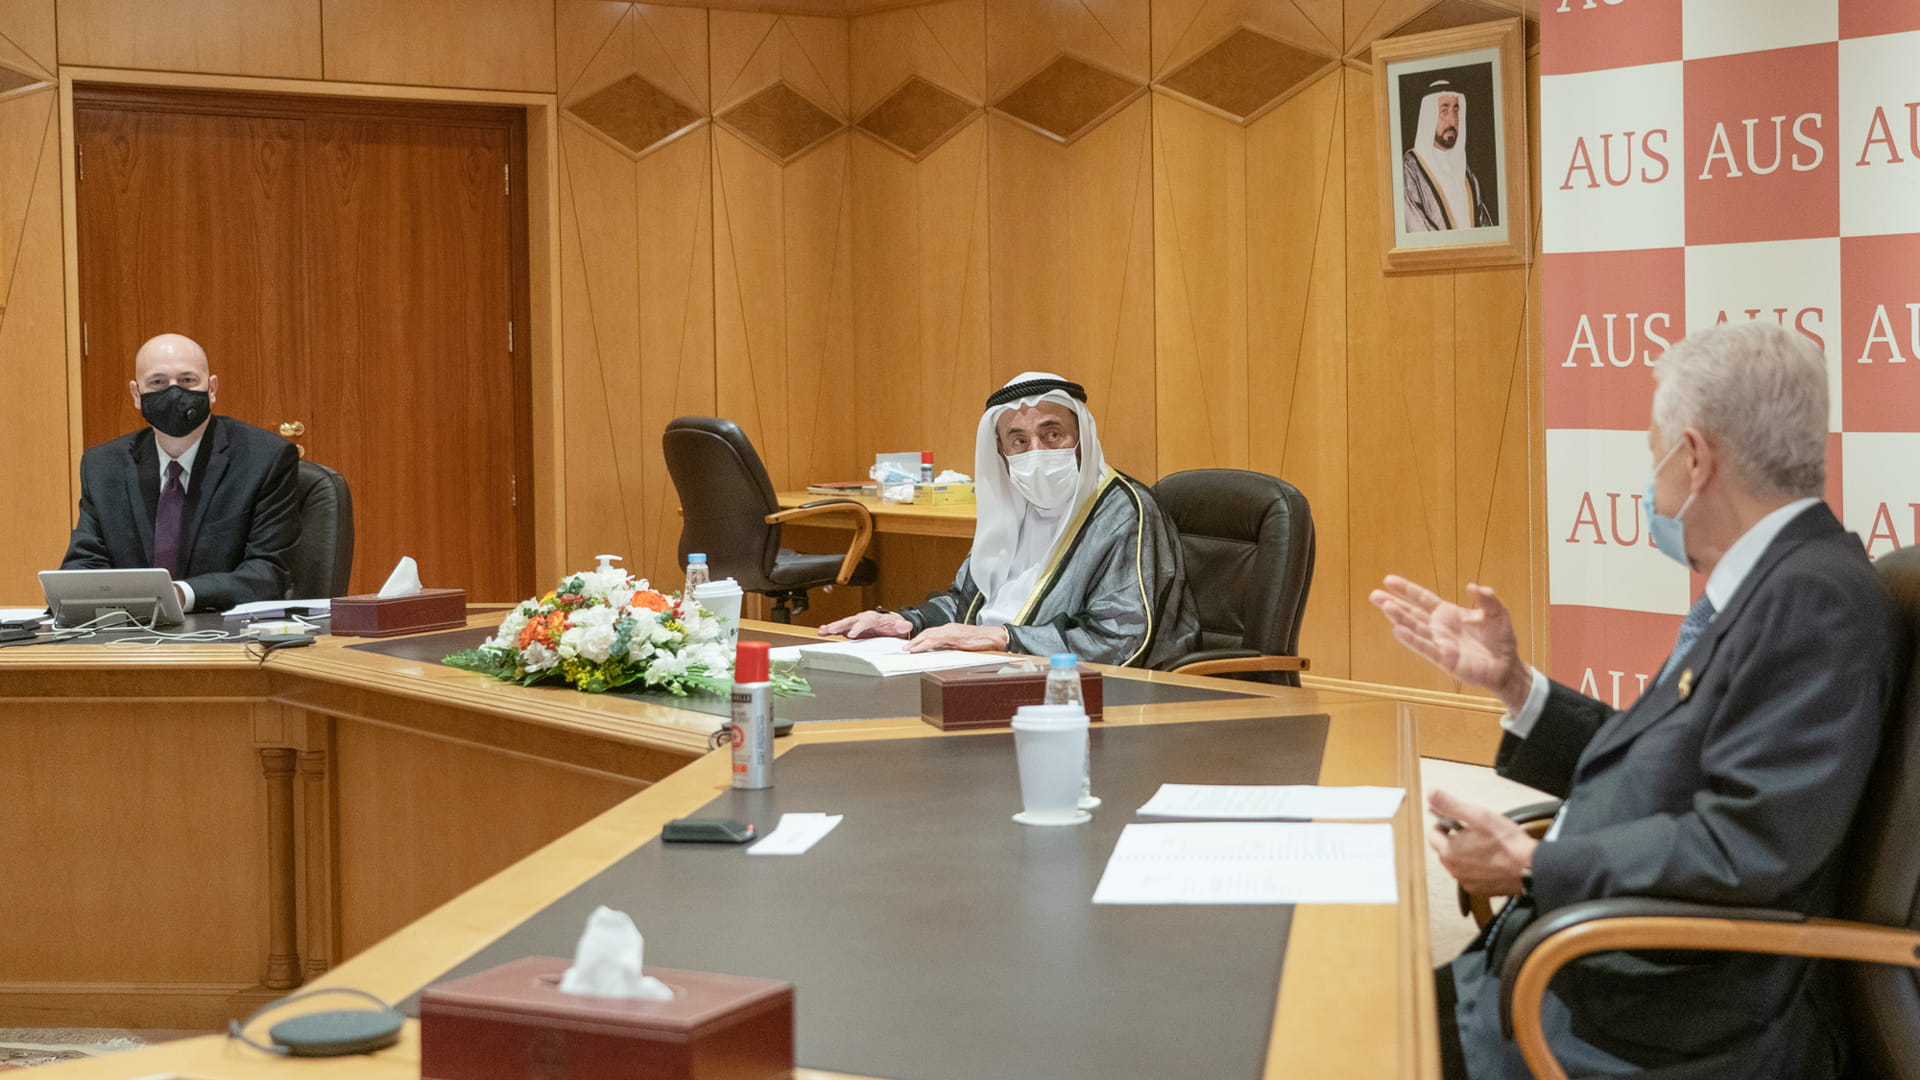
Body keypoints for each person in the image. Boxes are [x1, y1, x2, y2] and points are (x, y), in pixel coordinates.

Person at [1371, 322, 1899, 1079]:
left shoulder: (1814, 602)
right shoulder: (1776, 584)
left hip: (1662, 1021)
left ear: (1694, 457)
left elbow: (1745, 846)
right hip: (1597, 963)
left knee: (1338, 1037)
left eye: (1654, 457)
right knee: (1351, 1008)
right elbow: (1670, 766)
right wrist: (1518, 689)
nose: (1653, 484)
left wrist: (1531, 863)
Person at [820, 372, 1199, 667]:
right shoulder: (1012, 506)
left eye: (1052, 434)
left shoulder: (1123, 511)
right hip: (988, 669)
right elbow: (967, 606)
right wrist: (906, 622)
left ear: (1081, 437)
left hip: (1080, 694)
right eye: (1019, 441)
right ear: (1001, 451)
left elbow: (1120, 641)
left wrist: (1004, 638)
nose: (1036, 452)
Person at [61, 333, 302, 611]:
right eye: (157, 382)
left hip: (223, 635)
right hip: (129, 638)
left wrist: (179, 594)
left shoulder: (266, 458)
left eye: (187, 380)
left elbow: (269, 572)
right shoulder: (103, 465)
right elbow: (83, 563)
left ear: (211, 389)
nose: (173, 392)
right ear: (136, 394)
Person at [1403, 80, 1494, 232]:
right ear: (1429, 116)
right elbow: (1416, 229)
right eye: (1444, 111)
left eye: (1456, 111)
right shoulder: (1410, 168)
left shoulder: (1464, 170)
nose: (1452, 121)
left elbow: (1484, 225)